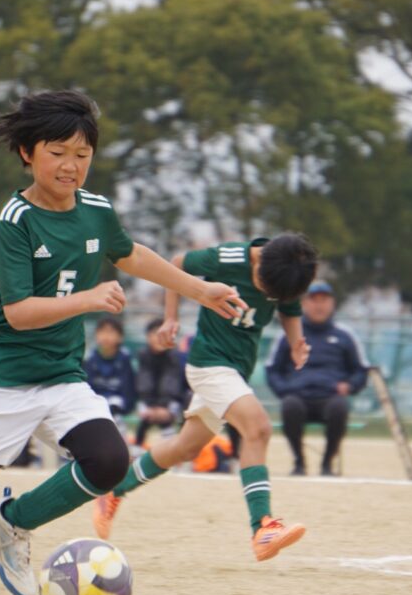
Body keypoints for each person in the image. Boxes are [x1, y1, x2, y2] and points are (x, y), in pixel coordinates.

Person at [0, 90, 245, 595]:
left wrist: (199, 289)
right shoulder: (16, 219)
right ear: (27, 153)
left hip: (59, 376)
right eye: (57, 152)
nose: (71, 165)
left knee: (109, 460)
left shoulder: (96, 209)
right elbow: (18, 312)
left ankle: (13, 522)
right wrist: (89, 299)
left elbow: (130, 255)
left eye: (82, 154)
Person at [93, 234, 318, 562]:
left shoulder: (284, 273)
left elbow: (289, 307)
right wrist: (171, 317)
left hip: (235, 371)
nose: (266, 295)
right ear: (258, 261)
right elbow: (177, 264)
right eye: (262, 287)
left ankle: (114, 490)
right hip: (209, 364)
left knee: (186, 448)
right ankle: (262, 527)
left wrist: (296, 342)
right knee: (258, 428)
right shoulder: (227, 259)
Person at [266, 281, 370, 476]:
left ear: (332, 303)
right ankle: (299, 462)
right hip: (298, 395)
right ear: (304, 303)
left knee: (339, 407)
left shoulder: (345, 335)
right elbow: (272, 369)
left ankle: (327, 463)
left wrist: (349, 386)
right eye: (314, 300)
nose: (319, 305)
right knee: (289, 405)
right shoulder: (289, 332)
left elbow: (361, 370)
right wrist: (284, 390)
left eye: (324, 300)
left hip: (330, 396)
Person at [133, 317, 184, 446]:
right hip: (148, 403)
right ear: (147, 337)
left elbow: (175, 386)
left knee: (167, 421)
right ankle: (136, 448)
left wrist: (164, 407)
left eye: (162, 334)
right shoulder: (143, 355)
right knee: (144, 421)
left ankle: (172, 449)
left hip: (171, 402)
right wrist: (150, 406)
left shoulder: (175, 357)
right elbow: (143, 384)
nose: (158, 338)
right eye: (154, 334)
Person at [83, 316, 137, 432]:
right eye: (102, 331)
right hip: (94, 406)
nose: (106, 336)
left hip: (117, 409)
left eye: (111, 332)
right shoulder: (90, 358)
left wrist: (123, 408)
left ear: (120, 337)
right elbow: (87, 387)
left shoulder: (125, 358)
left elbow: (128, 389)